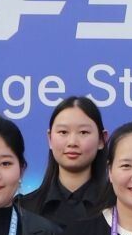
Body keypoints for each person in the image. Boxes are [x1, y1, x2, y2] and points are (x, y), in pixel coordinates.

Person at [17, 95, 109, 225]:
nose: (72, 142)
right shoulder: (23, 208)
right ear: (50, 138)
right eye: (63, 132)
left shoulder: (117, 206)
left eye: (83, 132)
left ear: (101, 139)